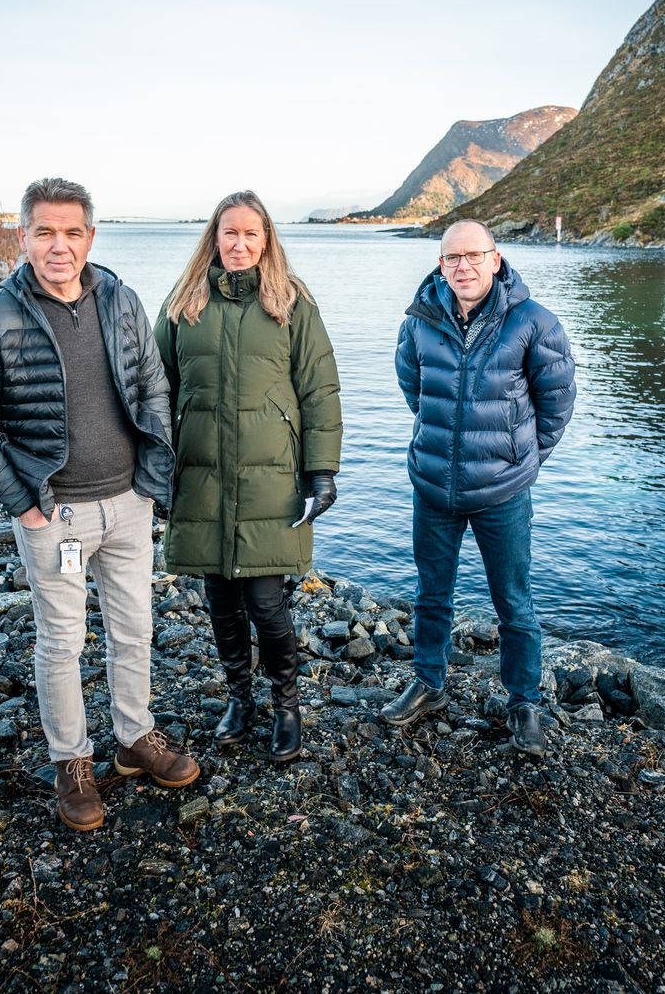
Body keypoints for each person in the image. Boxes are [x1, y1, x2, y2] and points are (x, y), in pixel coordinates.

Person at [0, 177, 197, 832]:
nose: (60, 245)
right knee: (62, 640)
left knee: (134, 627)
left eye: (73, 232)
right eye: (46, 232)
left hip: (129, 502)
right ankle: (72, 761)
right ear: (22, 235)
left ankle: (135, 737)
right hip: (55, 513)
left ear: (90, 236)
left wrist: (152, 472)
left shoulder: (120, 300)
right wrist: (23, 503)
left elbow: (153, 389)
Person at [154, 191, 342, 764]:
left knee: (265, 602)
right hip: (202, 478)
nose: (239, 244)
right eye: (229, 233)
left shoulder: (291, 303)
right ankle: (240, 698)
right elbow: (155, 391)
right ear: (214, 237)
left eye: (250, 235)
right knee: (219, 600)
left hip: (272, 481)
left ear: (267, 241)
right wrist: (155, 466)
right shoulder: (184, 303)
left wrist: (322, 471)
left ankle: (286, 704)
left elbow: (319, 389)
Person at [381, 220, 577, 757]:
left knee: (514, 601)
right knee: (431, 592)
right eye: (452, 258)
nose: (462, 266)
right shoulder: (421, 320)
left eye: (473, 256)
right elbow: (412, 386)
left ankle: (524, 702)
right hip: (433, 486)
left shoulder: (534, 322)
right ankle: (428, 683)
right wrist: (440, 441)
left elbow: (557, 401)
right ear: (440, 265)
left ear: (495, 259)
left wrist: (524, 459)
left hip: (503, 491)